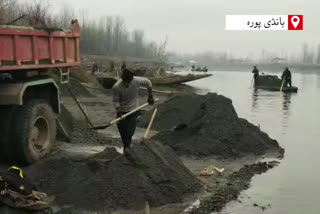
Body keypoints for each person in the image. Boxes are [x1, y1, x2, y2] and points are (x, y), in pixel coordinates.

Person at [112, 69, 154, 153]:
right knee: (123, 131)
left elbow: (148, 83)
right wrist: (119, 112)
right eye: (125, 81)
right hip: (122, 111)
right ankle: (126, 146)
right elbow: (116, 102)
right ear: (122, 79)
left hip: (134, 110)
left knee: (130, 131)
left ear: (132, 79)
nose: (126, 84)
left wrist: (150, 95)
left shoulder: (137, 80)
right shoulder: (117, 87)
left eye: (128, 81)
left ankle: (127, 149)